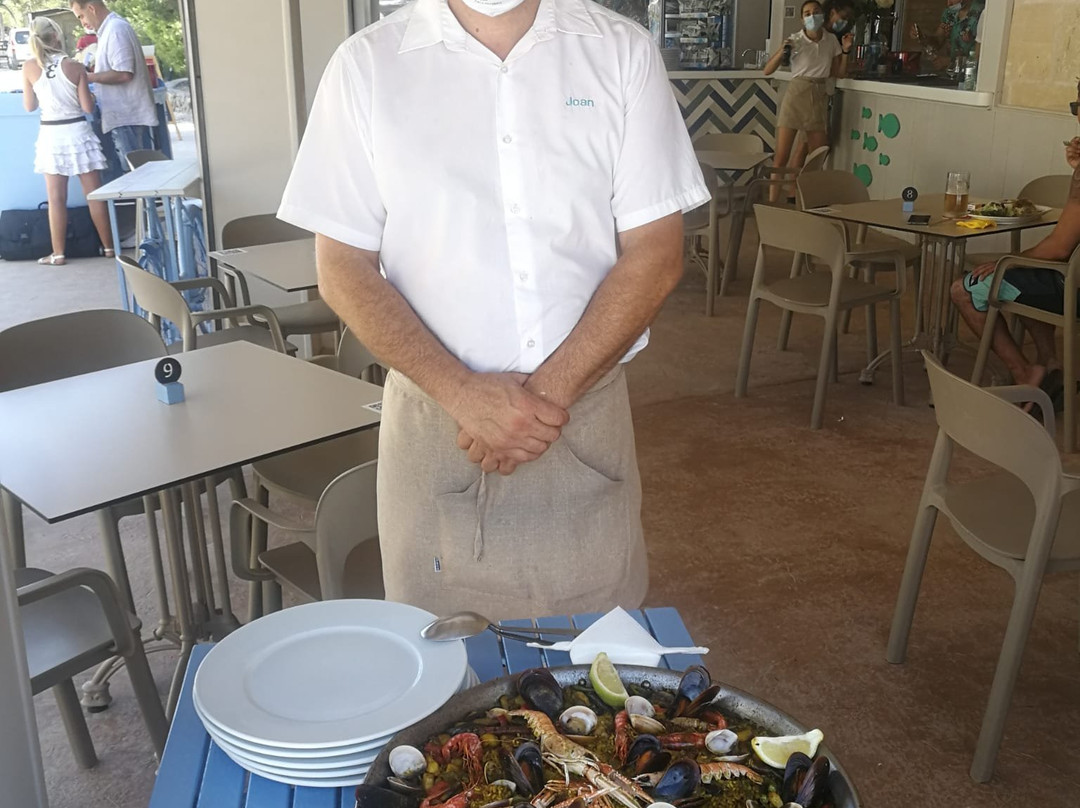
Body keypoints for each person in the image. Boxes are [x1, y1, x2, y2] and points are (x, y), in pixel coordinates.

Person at [277, 0, 709, 619]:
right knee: (439, 651)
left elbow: (657, 254)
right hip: (437, 426)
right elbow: (342, 268)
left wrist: (546, 396)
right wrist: (462, 394)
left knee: (593, 651)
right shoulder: (367, 66)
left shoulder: (621, 52)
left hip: (582, 419)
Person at [950, 83, 1080, 402]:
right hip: (1068, 280)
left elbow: (1060, 247)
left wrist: (1006, 261)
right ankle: (1050, 366)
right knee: (1026, 275)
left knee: (965, 289)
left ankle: (1026, 376)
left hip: (1072, 290)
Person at [21, 17, 114, 267]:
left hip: (51, 135)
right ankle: (108, 247)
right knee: (94, 195)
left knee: (55, 199)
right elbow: (87, 107)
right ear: (56, 37)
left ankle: (58, 253)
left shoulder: (29, 67)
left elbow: (29, 106)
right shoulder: (74, 66)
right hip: (78, 131)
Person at [763, 0, 853, 202]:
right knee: (781, 157)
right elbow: (768, 70)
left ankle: (808, 201)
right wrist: (783, 49)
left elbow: (838, 72)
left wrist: (846, 50)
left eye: (816, 12)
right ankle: (772, 203)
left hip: (818, 96)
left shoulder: (831, 40)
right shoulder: (795, 40)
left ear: (823, 14)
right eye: (807, 13)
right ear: (802, 19)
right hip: (796, 95)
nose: (812, 16)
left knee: (817, 156)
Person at [69, 0, 156, 171]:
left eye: (81, 16)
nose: (82, 23)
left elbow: (124, 73)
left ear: (91, 8)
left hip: (128, 117)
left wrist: (88, 78)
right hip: (122, 116)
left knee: (137, 175)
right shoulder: (108, 30)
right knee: (135, 174)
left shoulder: (116, 29)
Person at [914, 0, 985, 70]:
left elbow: (980, 56)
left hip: (973, 72)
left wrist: (950, 61)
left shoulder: (982, 13)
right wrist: (921, 37)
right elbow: (938, 40)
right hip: (952, 73)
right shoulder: (949, 13)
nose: (949, 3)